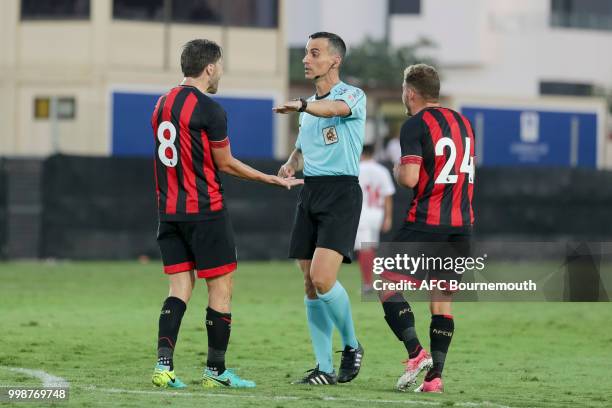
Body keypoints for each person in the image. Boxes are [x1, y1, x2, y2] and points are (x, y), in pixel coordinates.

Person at [150, 39, 302, 390]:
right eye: (220, 66)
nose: (220, 72)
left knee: (178, 289)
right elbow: (226, 163)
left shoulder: (161, 104)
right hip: (206, 211)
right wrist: (270, 179)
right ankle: (215, 371)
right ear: (210, 68)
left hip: (169, 211)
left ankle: (163, 367)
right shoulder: (211, 110)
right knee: (220, 289)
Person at [274, 32, 366, 386]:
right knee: (309, 283)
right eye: (305, 53)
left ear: (335, 60)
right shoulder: (309, 109)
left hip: (341, 192)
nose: (305, 59)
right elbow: (301, 149)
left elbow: (335, 110)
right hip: (310, 192)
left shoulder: (352, 96)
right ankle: (323, 367)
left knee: (323, 278)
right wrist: (290, 164)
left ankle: (353, 345)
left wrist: (300, 104)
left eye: (314, 53)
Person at [378, 64, 475, 393]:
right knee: (441, 302)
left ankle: (416, 353)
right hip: (461, 227)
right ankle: (435, 379)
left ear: (410, 92)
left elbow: (409, 178)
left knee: (385, 283)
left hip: (426, 224)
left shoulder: (415, 124)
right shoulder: (464, 123)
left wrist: (395, 169)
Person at [354, 144, 395, 294]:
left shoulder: (356, 169)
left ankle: (367, 284)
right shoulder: (382, 170)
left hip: (362, 213)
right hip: (377, 213)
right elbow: (388, 195)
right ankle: (375, 282)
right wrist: (388, 217)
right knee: (370, 248)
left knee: (365, 249)